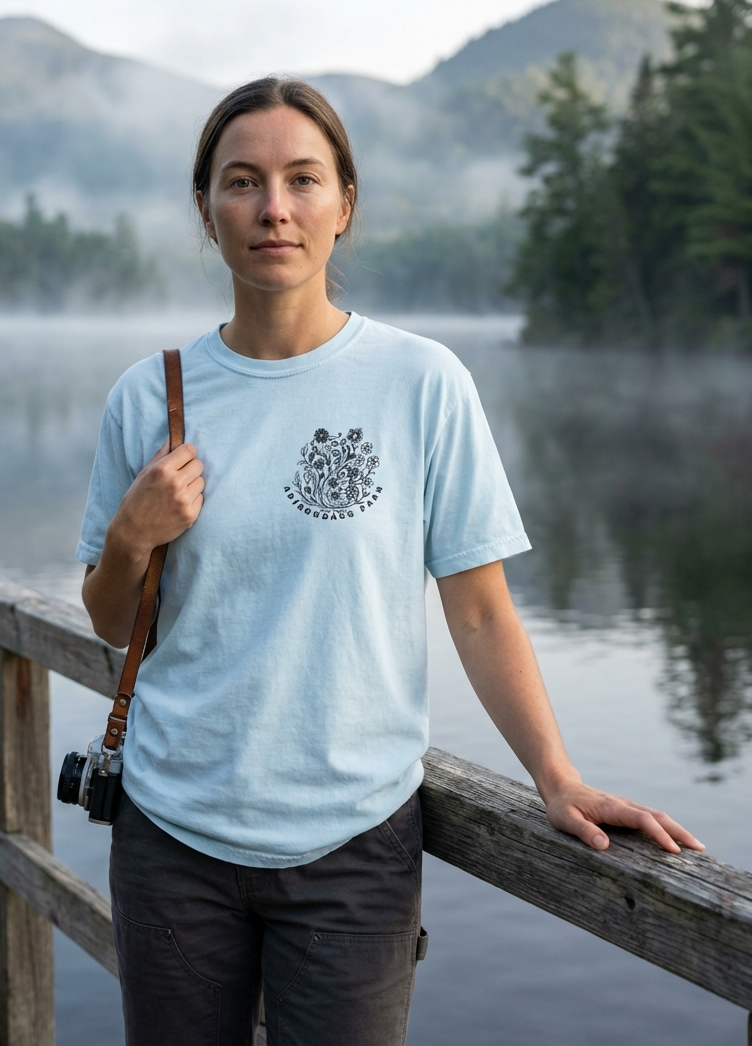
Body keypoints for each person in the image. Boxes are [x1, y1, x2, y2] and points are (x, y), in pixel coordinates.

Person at [77, 77, 703, 1046]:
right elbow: (114, 624)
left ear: (345, 205)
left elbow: (481, 610)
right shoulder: (148, 397)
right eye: (241, 182)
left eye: (302, 179)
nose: (273, 208)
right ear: (205, 211)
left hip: (352, 846)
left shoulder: (421, 383)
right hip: (173, 837)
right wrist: (130, 535)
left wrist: (555, 775)